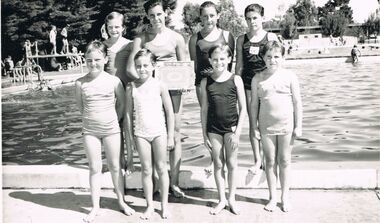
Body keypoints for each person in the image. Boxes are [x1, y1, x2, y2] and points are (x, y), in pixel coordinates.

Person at [127, 0, 187, 198]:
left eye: (159, 14)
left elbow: (185, 68)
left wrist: (177, 81)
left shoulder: (177, 38)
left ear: (166, 13)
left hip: (173, 90)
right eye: (152, 15)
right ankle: (153, 182)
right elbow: (130, 69)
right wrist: (150, 82)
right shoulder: (142, 39)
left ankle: (174, 183)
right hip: (150, 91)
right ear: (147, 16)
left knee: (174, 134)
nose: (156, 19)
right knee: (152, 132)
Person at [75, 40, 135, 223]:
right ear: (85, 60)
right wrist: (93, 120)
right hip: (90, 130)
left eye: (97, 60)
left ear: (105, 59)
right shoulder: (80, 83)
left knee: (116, 166)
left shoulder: (114, 81)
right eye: (90, 60)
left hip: (111, 130)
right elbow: (81, 107)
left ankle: (121, 202)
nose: (94, 64)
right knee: (94, 168)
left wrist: (111, 121)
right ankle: (95, 206)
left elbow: (122, 105)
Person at [250, 41, 302, 212]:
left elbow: (297, 102)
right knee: (270, 161)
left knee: (285, 160)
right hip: (266, 127)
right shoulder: (257, 78)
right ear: (263, 58)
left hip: (287, 125)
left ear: (283, 58)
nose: (273, 60)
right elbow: (254, 105)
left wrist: (298, 125)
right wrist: (254, 126)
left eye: (277, 57)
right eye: (269, 57)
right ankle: (272, 197)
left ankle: (285, 197)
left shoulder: (290, 76)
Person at [125, 49, 174, 220]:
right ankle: (149, 206)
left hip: (159, 132)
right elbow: (128, 115)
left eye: (146, 65)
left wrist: (171, 136)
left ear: (153, 66)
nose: (142, 69)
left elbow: (169, 112)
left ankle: (164, 206)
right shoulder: (131, 87)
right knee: (146, 170)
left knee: (161, 168)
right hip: (141, 134)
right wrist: (130, 139)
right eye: (138, 66)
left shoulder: (160, 85)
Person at [200, 44, 247, 215]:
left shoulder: (236, 79)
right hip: (213, 130)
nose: (218, 62)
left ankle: (232, 199)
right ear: (210, 61)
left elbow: (243, 109)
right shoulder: (206, 82)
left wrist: (238, 133)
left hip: (231, 129)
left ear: (228, 59)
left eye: (222, 59)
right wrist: (204, 133)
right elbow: (204, 109)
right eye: (215, 59)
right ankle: (221, 199)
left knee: (232, 164)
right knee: (218, 164)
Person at [235, 3, 278, 174]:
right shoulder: (241, 39)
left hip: (266, 86)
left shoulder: (271, 37)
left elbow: (278, 61)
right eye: (248, 19)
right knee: (253, 124)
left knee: (267, 123)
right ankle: (257, 160)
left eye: (255, 18)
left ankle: (270, 159)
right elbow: (239, 65)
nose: (252, 22)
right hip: (247, 86)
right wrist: (235, 84)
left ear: (262, 18)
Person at [103, 11, 134, 174]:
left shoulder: (129, 44)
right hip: (110, 92)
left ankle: (130, 162)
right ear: (106, 28)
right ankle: (118, 161)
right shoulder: (104, 45)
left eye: (117, 27)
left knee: (127, 125)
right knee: (114, 127)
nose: (114, 30)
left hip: (127, 89)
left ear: (123, 27)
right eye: (110, 27)